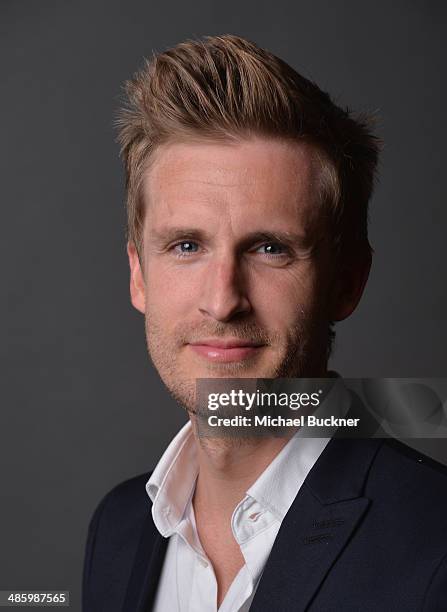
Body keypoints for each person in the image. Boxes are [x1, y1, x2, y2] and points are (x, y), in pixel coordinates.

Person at [82, 34, 447, 611]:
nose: (223, 301)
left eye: (270, 248)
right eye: (185, 245)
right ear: (138, 276)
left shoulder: (434, 543)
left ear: (347, 282)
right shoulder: (118, 531)